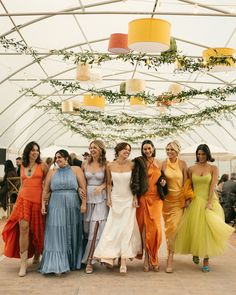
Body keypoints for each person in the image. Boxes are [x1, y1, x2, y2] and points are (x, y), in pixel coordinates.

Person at [174, 144, 234, 272]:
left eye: (203, 154)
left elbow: (213, 185)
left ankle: (206, 260)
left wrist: (209, 203)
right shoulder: (191, 169)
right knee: (195, 229)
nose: (201, 156)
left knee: (207, 231)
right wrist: (188, 200)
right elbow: (189, 187)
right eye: (199, 154)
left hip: (209, 201)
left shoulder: (213, 168)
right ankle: (195, 252)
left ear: (207, 155)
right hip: (195, 201)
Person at [2, 141, 48, 277]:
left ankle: (37, 255)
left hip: (38, 202)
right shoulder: (22, 165)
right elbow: (22, 185)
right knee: (24, 228)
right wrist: (16, 202)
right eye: (33, 150)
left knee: (37, 229)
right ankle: (23, 263)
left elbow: (47, 184)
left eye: (37, 150)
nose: (35, 152)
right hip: (24, 201)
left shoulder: (43, 165)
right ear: (28, 151)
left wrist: (46, 199)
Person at [94, 142, 141, 274]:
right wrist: (109, 198)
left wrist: (135, 197)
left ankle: (124, 261)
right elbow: (109, 183)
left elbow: (134, 182)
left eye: (129, 150)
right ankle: (110, 255)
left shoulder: (132, 165)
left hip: (129, 200)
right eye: (125, 149)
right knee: (113, 228)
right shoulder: (110, 165)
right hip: (115, 199)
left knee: (126, 229)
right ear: (118, 151)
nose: (127, 152)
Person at [40, 150, 86, 275]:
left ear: (66, 158)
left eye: (60, 157)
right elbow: (45, 190)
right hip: (56, 205)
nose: (57, 160)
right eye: (56, 158)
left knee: (72, 231)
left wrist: (84, 203)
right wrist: (43, 205)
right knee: (56, 232)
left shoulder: (76, 169)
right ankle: (57, 263)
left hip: (73, 205)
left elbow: (83, 187)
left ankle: (72, 262)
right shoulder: (51, 172)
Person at [131, 139, 167, 272]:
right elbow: (134, 180)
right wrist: (135, 196)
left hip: (157, 199)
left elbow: (163, 179)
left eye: (149, 148)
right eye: (145, 149)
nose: (147, 151)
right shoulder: (139, 162)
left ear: (153, 148)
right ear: (142, 150)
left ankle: (154, 256)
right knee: (144, 229)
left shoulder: (160, 162)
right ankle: (146, 257)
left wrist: (163, 183)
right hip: (143, 198)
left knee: (156, 229)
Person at [161, 140, 194, 273]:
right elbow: (159, 181)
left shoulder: (182, 164)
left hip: (178, 201)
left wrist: (188, 199)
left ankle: (170, 257)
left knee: (174, 228)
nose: (169, 152)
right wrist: (161, 182)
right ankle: (171, 251)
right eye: (167, 150)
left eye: (172, 150)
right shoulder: (163, 164)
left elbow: (187, 182)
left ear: (177, 151)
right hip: (166, 202)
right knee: (168, 229)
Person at [82, 140, 109, 274]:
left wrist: (101, 187)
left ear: (101, 150)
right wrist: (79, 191)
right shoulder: (85, 163)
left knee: (96, 230)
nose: (92, 150)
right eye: (91, 147)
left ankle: (90, 261)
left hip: (100, 199)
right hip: (87, 199)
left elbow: (108, 182)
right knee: (86, 230)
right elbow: (80, 181)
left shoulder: (106, 164)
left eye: (95, 148)